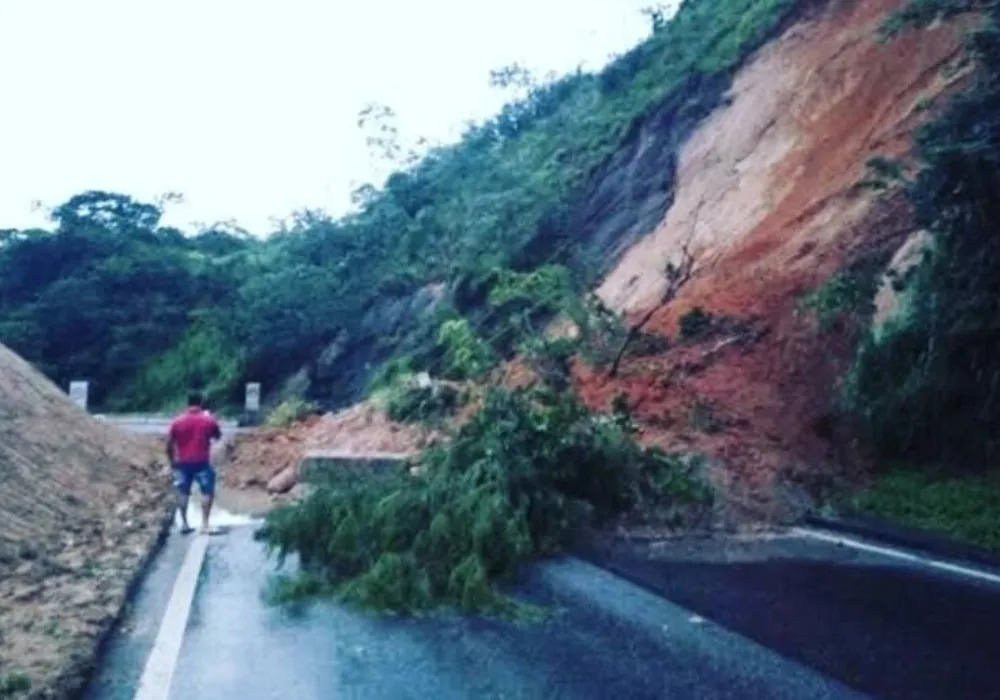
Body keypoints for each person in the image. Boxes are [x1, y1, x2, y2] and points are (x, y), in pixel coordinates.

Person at [166, 392, 222, 534]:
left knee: (183, 491)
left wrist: (172, 461)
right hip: (202, 461)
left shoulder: (177, 422)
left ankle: (184, 524)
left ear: (188, 404)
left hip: (183, 462)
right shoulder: (208, 420)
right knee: (207, 491)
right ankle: (205, 524)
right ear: (201, 403)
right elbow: (218, 436)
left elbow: (169, 444)